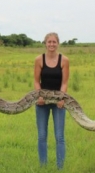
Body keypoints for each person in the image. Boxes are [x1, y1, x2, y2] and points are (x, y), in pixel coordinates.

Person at [33, 32, 69, 169]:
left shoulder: (64, 60)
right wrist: (39, 96)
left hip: (58, 103)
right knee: (42, 135)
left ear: (58, 43)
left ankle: (60, 167)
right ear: (45, 43)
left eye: (54, 42)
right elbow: (37, 81)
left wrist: (61, 97)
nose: (51, 44)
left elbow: (64, 83)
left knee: (59, 137)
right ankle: (43, 166)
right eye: (49, 42)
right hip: (42, 103)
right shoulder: (39, 59)